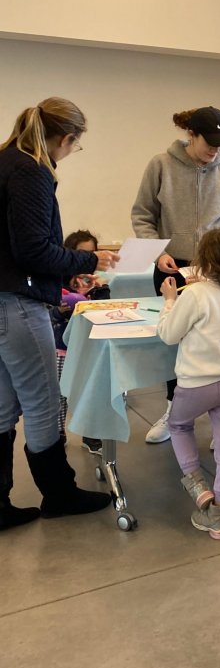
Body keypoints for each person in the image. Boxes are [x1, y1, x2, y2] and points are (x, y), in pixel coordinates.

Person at [0, 97, 119, 530]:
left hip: (3, 300)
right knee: (44, 404)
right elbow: (34, 250)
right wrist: (89, 260)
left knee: (3, 407)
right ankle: (60, 495)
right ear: (66, 139)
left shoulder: (5, 159)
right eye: (75, 145)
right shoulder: (31, 170)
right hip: (18, 303)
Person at [131, 105, 220, 443]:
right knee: (174, 341)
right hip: (173, 266)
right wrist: (158, 252)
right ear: (191, 135)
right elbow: (143, 215)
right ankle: (173, 409)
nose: (216, 149)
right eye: (209, 142)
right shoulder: (161, 165)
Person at [157, 228, 220, 541]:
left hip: (195, 384)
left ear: (206, 261)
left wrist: (170, 301)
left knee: (179, 426)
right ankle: (219, 515)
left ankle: (197, 486)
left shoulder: (196, 294)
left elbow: (168, 334)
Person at [52, 229, 111, 456]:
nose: (88, 259)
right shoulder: (57, 281)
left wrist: (100, 290)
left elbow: (105, 311)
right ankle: (58, 433)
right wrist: (60, 310)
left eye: (92, 254)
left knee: (90, 393)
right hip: (62, 349)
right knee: (59, 395)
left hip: (89, 348)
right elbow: (47, 315)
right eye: (82, 254)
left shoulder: (97, 283)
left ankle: (91, 435)